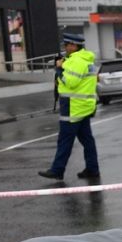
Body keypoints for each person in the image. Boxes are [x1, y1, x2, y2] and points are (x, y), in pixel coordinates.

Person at [39, 33, 100, 181]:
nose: (65, 48)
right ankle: (92, 169)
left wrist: (60, 69)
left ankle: (57, 170)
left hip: (73, 107)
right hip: (83, 106)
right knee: (87, 140)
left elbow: (70, 82)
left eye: (67, 45)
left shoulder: (77, 61)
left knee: (64, 140)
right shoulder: (85, 59)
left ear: (73, 46)